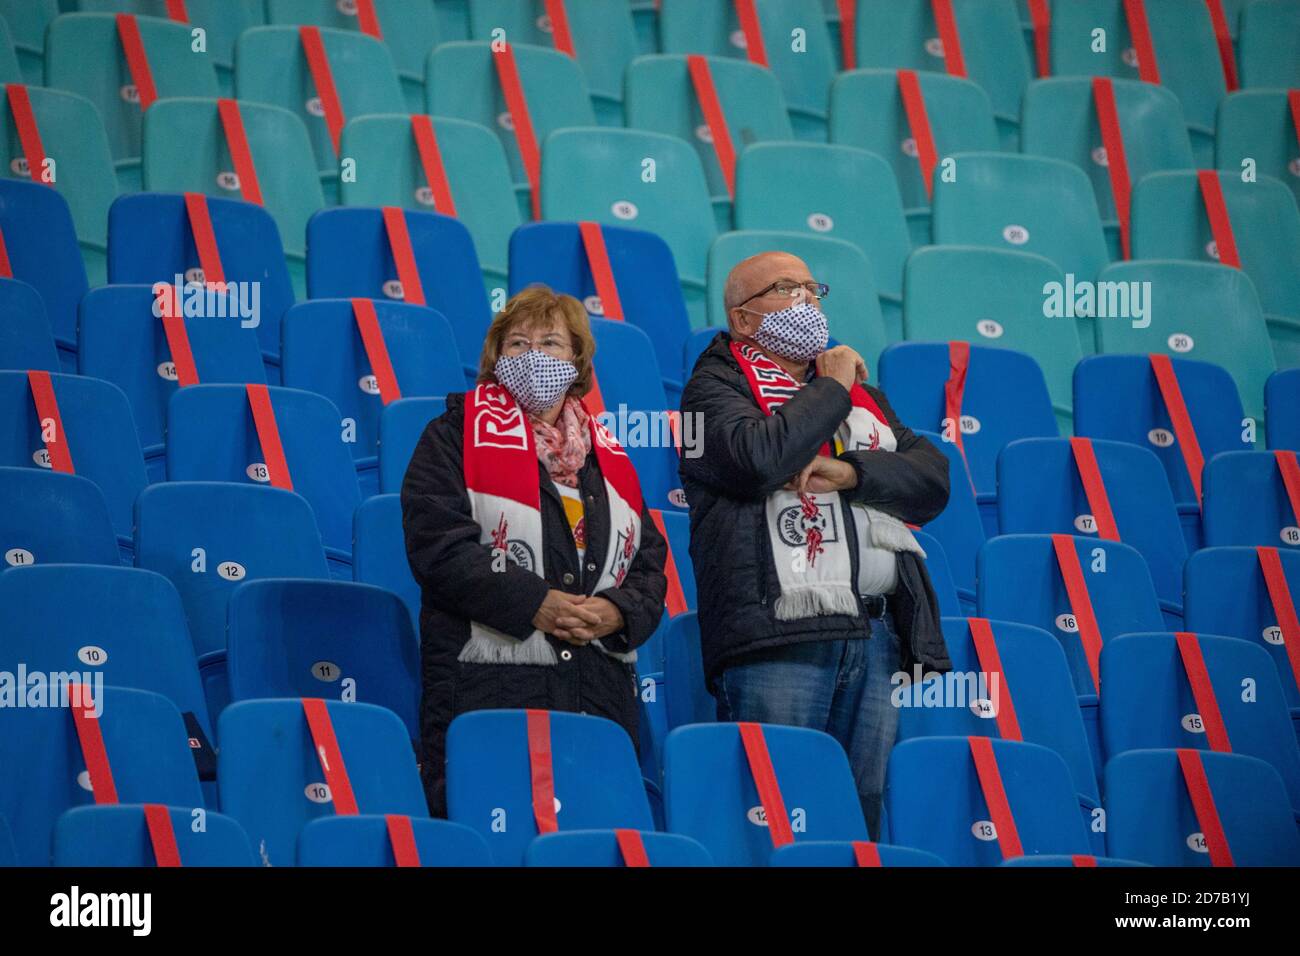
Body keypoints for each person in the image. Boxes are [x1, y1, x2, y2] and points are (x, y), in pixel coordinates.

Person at [679, 251, 952, 838]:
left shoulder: (863, 397)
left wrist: (853, 474)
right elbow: (759, 459)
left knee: (856, 822)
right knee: (779, 813)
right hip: (778, 636)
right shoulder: (712, 388)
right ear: (744, 320)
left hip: (874, 635)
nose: (807, 301)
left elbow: (933, 481)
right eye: (785, 289)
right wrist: (832, 385)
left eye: (812, 288)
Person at [401, 285, 668, 815]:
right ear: (496, 359)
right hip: (488, 688)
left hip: (596, 693)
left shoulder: (608, 457)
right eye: (517, 343)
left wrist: (615, 611)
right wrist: (534, 602)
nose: (534, 356)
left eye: (551, 342)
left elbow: (649, 564)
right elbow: (438, 546)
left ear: (577, 361)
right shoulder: (453, 435)